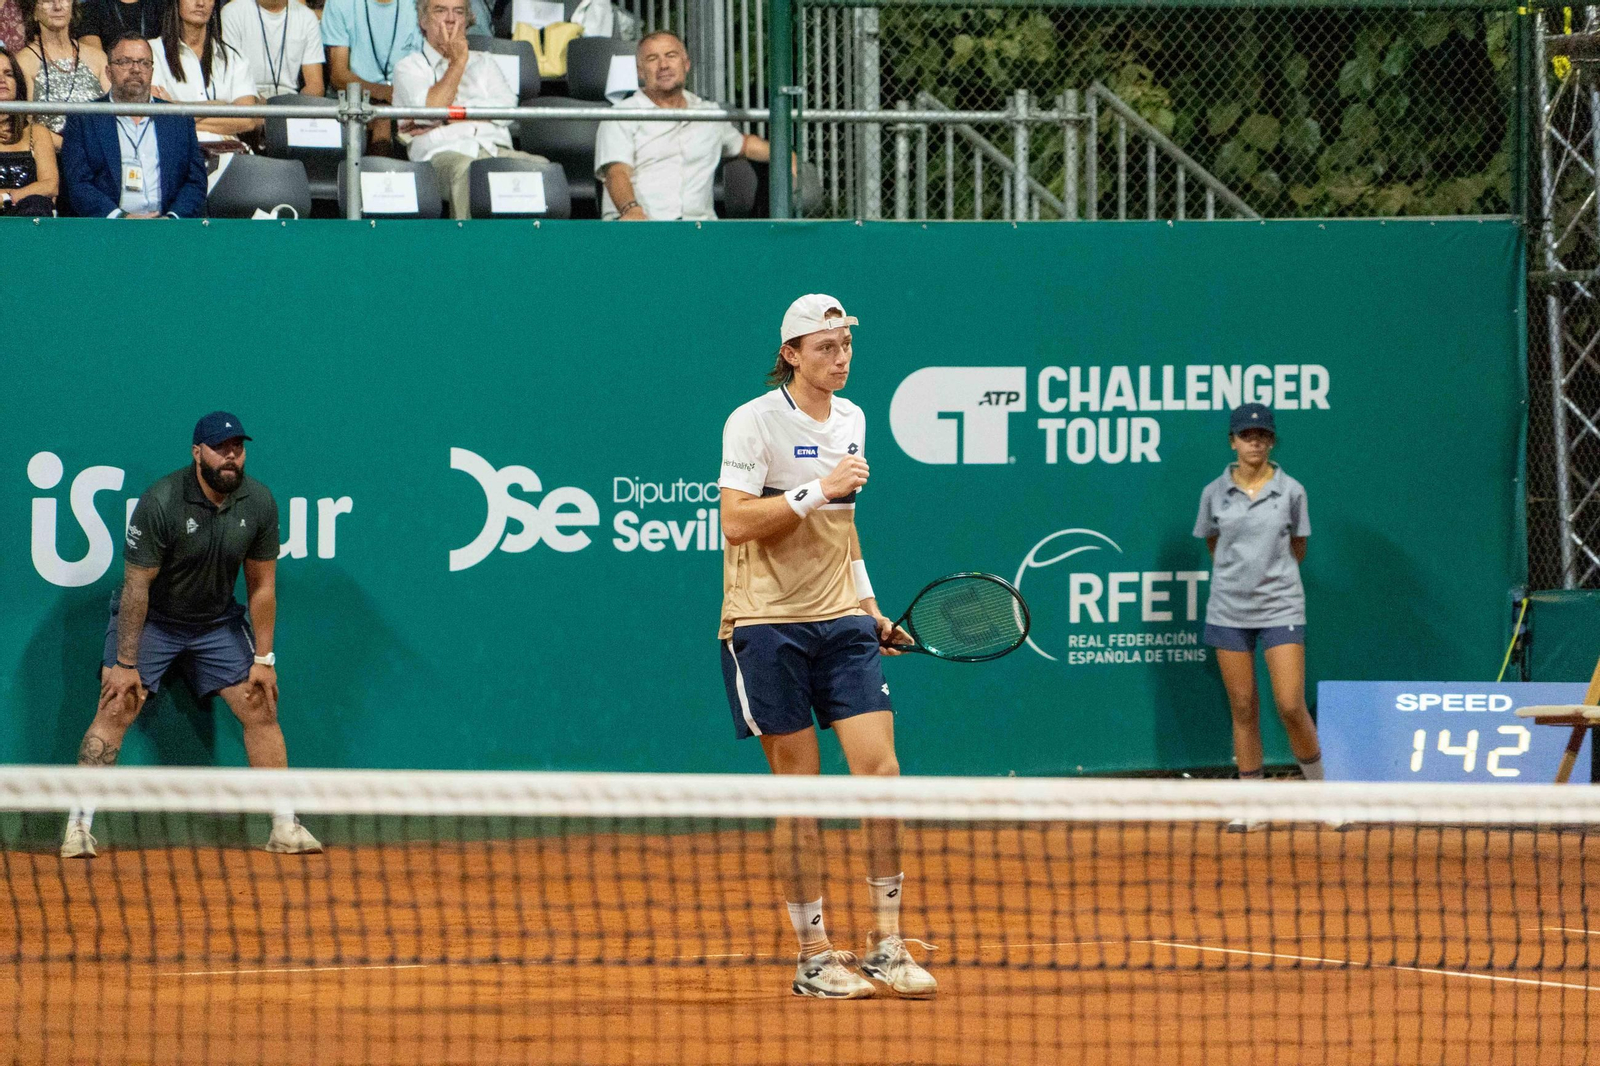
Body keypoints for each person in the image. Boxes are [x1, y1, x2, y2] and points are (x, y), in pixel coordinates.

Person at [717, 294, 937, 1000]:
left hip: (842, 621)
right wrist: (817, 488)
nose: (841, 359)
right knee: (801, 797)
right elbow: (735, 522)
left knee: (882, 777)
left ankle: (886, 944)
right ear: (791, 354)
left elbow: (844, 528)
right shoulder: (753, 421)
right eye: (825, 347)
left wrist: (870, 608)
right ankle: (812, 955)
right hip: (766, 624)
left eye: (846, 346)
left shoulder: (853, 419)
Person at [62, 412, 322, 859]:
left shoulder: (259, 502)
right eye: (220, 448)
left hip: (215, 623)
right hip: (153, 620)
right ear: (197, 452)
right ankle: (78, 827)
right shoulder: (161, 501)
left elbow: (262, 587)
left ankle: (284, 826)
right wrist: (125, 664)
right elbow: (136, 587)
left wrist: (264, 659)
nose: (231, 456)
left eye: (237, 448)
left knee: (260, 706)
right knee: (116, 704)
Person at [1192, 403, 1324, 827]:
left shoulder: (1292, 491)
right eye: (1247, 436)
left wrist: (1268, 578)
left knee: (1290, 704)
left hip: (1281, 606)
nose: (1255, 442)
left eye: (1263, 435)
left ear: (1272, 441)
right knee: (1243, 706)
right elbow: (1214, 545)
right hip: (1228, 610)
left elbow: (1297, 547)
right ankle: (1253, 806)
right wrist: (1240, 579)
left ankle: (1325, 797)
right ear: (1232, 442)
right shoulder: (1213, 493)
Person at [595, 30, 771, 221]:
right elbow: (616, 173)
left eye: (671, 56)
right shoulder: (621, 115)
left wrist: (787, 157)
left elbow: (745, 145)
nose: (663, 65)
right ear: (640, 72)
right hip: (639, 226)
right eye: (652, 59)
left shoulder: (709, 114)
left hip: (699, 229)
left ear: (686, 64)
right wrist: (631, 210)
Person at [391, 0, 544, 219]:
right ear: (423, 20)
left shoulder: (485, 62)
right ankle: (467, 241)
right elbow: (431, 110)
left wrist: (449, 116)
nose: (450, 19)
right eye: (440, 10)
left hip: (494, 149)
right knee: (467, 171)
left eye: (458, 12)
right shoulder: (409, 67)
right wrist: (458, 63)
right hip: (441, 155)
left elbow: (507, 108)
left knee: (541, 168)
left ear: (467, 20)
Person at [58, 32, 205, 215]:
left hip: (167, 225)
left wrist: (172, 219)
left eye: (144, 63)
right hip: (110, 226)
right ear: (108, 72)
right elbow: (78, 184)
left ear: (152, 71)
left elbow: (195, 182)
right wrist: (121, 218)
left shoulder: (178, 118)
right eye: (125, 62)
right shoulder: (83, 118)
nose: (136, 69)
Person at [149, 0, 258, 156]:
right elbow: (158, 114)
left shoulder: (234, 58)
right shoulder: (152, 52)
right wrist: (217, 106)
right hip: (175, 152)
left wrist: (176, 109)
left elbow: (247, 121)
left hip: (228, 155)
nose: (200, 3)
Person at [319, 0, 417, 150]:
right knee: (381, 119)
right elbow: (338, 76)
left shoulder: (420, 4)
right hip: (354, 99)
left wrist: (397, 96)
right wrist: (383, 93)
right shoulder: (339, 3)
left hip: (408, 97)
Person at [16, 0, 108, 146]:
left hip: (99, 148)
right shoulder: (24, 61)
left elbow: (114, 117)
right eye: (48, 1)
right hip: (50, 152)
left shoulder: (98, 58)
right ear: (33, 12)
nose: (58, 6)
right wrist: (72, 147)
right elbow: (27, 126)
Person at [219, 0, 322, 99]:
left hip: (289, 100)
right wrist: (256, 101)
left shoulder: (307, 17)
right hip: (245, 97)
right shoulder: (232, 12)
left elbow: (315, 85)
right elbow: (230, 80)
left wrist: (296, 106)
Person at [0, 46, 58, 212]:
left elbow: (51, 186)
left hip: (28, 216)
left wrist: (7, 197)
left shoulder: (37, 132)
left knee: (37, 204)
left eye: (8, 74)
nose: (2, 80)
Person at [77, 0, 163, 52]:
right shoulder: (91, 8)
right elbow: (95, 59)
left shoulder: (162, 6)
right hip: (108, 75)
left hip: (156, 73)